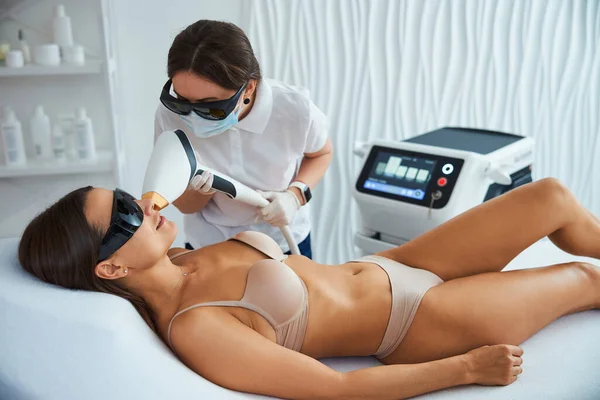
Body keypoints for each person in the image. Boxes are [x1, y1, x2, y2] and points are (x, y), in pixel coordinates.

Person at [18, 178, 600, 399]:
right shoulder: (196, 327)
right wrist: (467, 369)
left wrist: (149, 213)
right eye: (123, 220)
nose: (140, 209)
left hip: (399, 264)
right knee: (585, 278)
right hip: (419, 321)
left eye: (127, 199)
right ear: (111, 270)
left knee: (551, 197)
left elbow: (177, 186)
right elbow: (335, 391)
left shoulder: (177, 252)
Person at [154, 19, 333, 258]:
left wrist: (295, 195)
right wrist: (200, 192)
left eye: (210, 106)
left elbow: (321, 153)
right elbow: (186, 206)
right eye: (181, 100)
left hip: (282, 241)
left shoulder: (293, 109)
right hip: (210, 246)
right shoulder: (170, 116)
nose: (193, 117)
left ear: (248, 88)